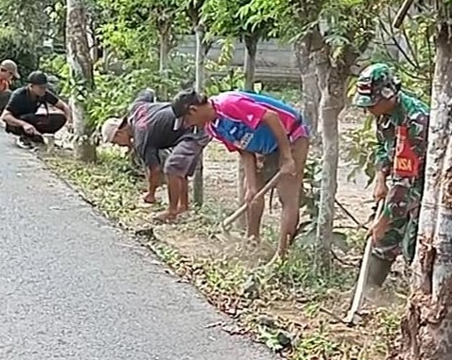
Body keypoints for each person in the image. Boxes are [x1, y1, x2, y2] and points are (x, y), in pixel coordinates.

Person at [171, 89, 306, 263]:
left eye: (187, 120)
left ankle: (281, 256)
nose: (188, 125)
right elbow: (244, 149)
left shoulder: (230, 104)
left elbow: (271, 117)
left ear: (193, 110)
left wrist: (287, 157)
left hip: (291, 135)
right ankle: (252, 241)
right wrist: (251, 186)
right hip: (264, 146)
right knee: (250, 193)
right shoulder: (213, 128)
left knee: (287, 196)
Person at [351, 63, 429, 292]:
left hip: (421, 189)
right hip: (399, 183)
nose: (369, 109)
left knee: (414, 243)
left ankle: (419, 296)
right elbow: (383, 147)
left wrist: (383, 219)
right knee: (383, 239)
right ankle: (369, 291)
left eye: (373, 104)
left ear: (389, 94)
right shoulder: (384, 115)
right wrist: (379, 177)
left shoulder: (415, 120)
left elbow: (405, 181)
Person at [102, 89, 207, 222]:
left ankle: (172, 211)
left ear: (119, 133)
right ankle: (183, 207)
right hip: (192, 123)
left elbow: (155, 170)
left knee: (172, 169)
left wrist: (150, 194)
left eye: (115, 142)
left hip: (193, 127)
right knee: (180, 170)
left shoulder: (141, 140)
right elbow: (148, 92)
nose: (119, 145)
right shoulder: (136, 108)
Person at [0, 70, 72, 149]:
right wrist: (24, 124)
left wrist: (68, 121)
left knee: (60, 118)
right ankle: (24, 137)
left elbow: (63, 106)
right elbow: (5, 116)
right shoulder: (18, 95)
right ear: (31, 86)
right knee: (27, 118)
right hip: (17, 123)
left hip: (32, 120)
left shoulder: (44, 94)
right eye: (41, 88)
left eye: (45, 87)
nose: (44, 90)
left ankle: (38, 135)